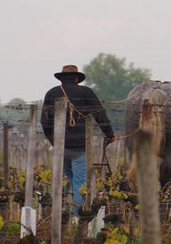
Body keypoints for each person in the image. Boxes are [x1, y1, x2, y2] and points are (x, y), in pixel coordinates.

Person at [40, 65, 115, 217]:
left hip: (61, 148)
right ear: (76, 78)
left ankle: (65, 213)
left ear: (62, 78)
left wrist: (54, 142)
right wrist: (109, 134)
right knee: (80, 183)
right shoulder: (85, 92)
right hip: (80, 147)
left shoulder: (52, 93)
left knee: (71, 178)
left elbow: (44, 122)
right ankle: (77, 217)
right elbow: (99, 114)